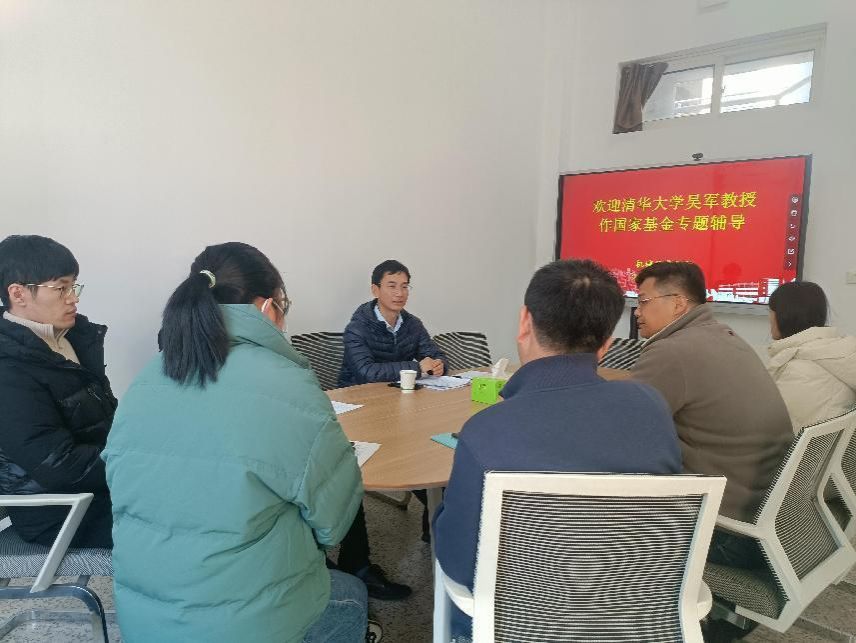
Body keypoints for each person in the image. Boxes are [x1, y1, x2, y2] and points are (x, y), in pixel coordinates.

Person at [103, 242, 369, 643]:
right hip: (245, 625)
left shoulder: (147, 377)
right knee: (352, 596)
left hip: (143, 622)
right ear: (268, 307)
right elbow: (334, 524)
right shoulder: (285, 382)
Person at [433, 259, 681, 639]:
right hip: (629, 618)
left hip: (520, 626)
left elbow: (459, 563)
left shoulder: (487, 431)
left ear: (524, 323)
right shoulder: (652, 408)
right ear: (606, 345)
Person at [630, 261, 792, 569]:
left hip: (725, 531)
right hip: (767, 515)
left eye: (644, 301)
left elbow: (622, 429)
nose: (637, 311)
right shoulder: (722, 335)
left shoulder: (671, 351)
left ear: (678, 303)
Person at [0, 235, 116, 548]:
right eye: (61, 288)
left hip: (99, 490)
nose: (73, 298)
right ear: (18, 293)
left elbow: (103, 424)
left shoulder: (71, 339)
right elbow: (57, 465)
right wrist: (138, 463)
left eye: (74, 286)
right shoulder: (8, 367)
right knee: (185, 518)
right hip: (57, 512)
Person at [338, 259, 448, 387]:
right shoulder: (356, 328)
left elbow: (435, 355)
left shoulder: (413, 324)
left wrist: (439, 365)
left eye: (404, 287)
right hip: (357, 393)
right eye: (392, 286)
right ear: (375, 290)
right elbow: (366, 372)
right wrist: (417, 368)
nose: (400, 293)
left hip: (396, 390)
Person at [767, 281, 856, 432]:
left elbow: (768, 428)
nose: (769, 318)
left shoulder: (795, 369)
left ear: (784, 316)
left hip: (790, 446)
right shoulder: (840, 352)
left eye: (770, 311)